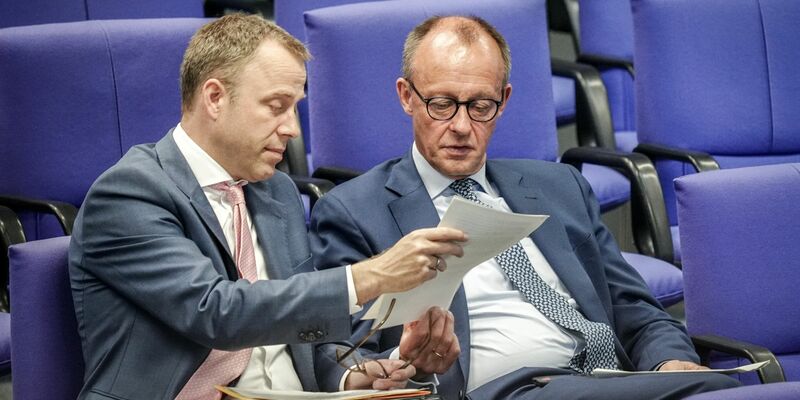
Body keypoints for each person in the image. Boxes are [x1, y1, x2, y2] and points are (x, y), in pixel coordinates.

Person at [309, 15, 742, 400]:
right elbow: (336, 352)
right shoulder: (354, 210)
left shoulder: (559, 186)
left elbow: (633, 307)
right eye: (441, 104)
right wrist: (394, 365)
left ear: (505, 100)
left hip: (612, 380)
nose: (461, 127)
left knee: (731, 389)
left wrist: (669, 364)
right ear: (407, 97)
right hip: (510, 389)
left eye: (481, 105)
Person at [68, 14, 467, 399]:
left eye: (296, 107)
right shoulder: (128, 193)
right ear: (215, 98)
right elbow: (217, 313)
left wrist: (352, 375)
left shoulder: (276, 191)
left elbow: (301, 336)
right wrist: (371, 275)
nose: (293, 129)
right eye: (277, 106)